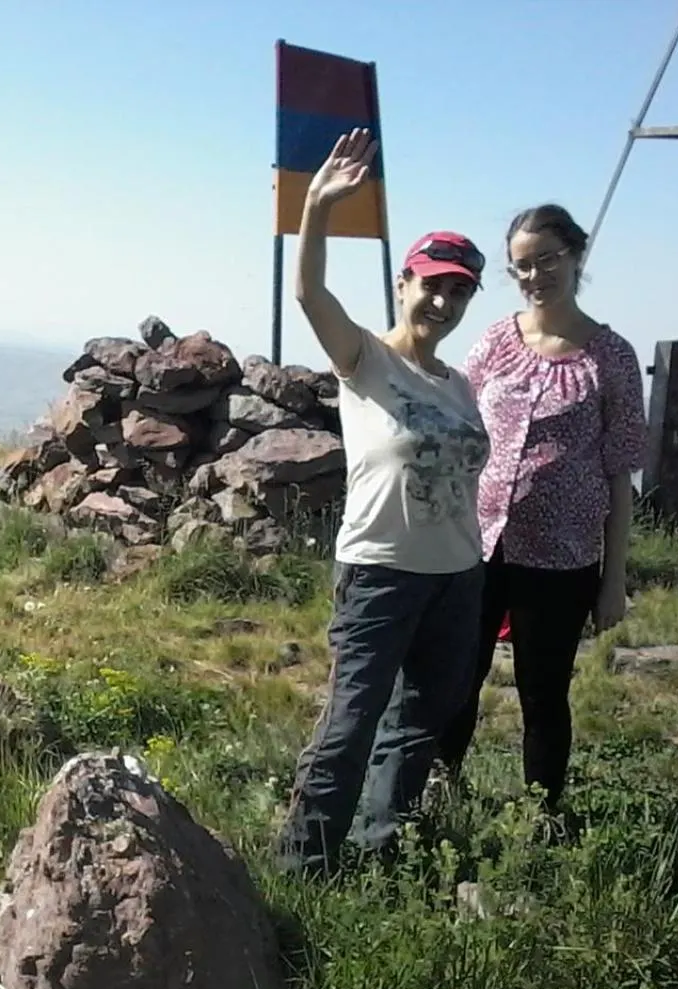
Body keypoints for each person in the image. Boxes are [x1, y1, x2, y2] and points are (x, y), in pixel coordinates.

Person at [275, 129, 490, 875]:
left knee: (419, 723)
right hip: (380, 574)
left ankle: (376, 846)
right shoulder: (365, 358)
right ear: (404, 283)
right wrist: (317, 209)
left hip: (459, 577)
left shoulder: (459, 385)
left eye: (459, 289)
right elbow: (307, 292)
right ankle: (306, 867)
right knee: (350, 724)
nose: (443, 299)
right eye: (432, 283)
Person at [436, 203, 648, 808]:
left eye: (545, 260)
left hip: (563, 556)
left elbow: (618, 473)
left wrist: (613, 580)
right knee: (457, 675)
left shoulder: (611, 358)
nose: (533, 277)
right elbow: (455, 420)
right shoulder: (498, 341)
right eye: (520, 267)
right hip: (476, 543)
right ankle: (438, 793)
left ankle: (541, 817)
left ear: (577, 256)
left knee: (543, 690)